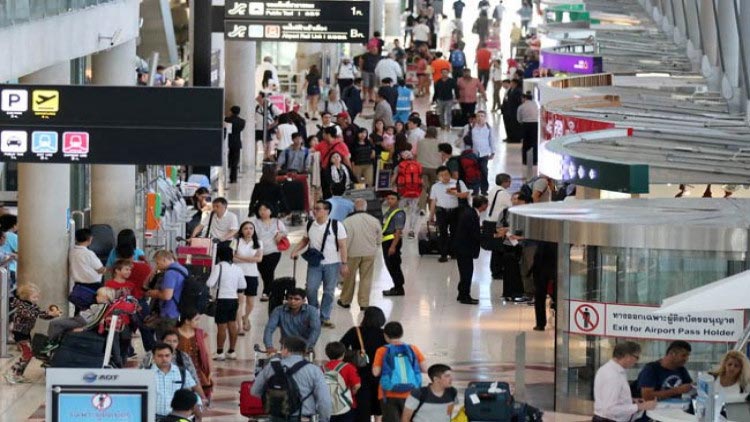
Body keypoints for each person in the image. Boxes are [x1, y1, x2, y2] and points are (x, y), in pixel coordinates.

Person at [290, 200, 349, 329]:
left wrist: (344, 264)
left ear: (327, 211)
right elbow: (305, 240)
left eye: (318, 209)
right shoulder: (310, 224)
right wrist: (295, 250)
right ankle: (313, 313)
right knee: (310, 288)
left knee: (329, 291)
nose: (315, 211)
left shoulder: (337, 225)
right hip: (315, 263)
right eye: (314, 209)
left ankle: (325, 317)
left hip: (332, 264)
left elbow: (343, 246)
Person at [252, 336, 332, 422]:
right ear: (304, 352)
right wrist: (324, 419)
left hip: (276, 417)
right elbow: (324, 400)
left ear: (286, 350)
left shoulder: (271, 367)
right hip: (303, 417)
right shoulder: (314, 370)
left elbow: (254, 391)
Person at [5, 283, 61, 384]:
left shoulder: (32, 305)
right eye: (34, 297)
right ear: (26, 296)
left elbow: (40, 314)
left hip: (25, 332)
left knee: (28, 354)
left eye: (37, 296)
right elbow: (32, 314)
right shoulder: (22, 306)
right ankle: (11, 372)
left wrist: (52, 315)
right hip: (19, 333)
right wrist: (49, 313)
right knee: (27, 354)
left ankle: (18, 374)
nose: (37, 299)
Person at [372, 322, 428, 422]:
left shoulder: (381, 350)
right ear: (401, 334)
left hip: (388, 394)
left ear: (385, 335)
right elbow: (424, 369)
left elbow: (376, 372)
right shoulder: (412, 348)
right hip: (411, 393)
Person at [340, 307, 387, 422]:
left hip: (360, 375)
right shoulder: (385, 334)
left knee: (362, 409)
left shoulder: (355, 331)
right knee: (379, 409)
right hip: (380, 375)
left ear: (365, 318)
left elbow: (341, 347)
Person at [141, 330, 207, 407]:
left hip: (178, 399)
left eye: (174, 341)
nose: (172, 344)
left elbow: (194, 379)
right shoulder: (150, 355)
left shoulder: (183, 357)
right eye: (168, 341)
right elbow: (141, 374)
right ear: (162, 341)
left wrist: (203, 398)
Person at [594, 342, 656, 422]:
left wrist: (631, 401)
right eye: (636, 357)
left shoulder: (611, 369)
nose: (637, 361)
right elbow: (609, 409)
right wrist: (640, 406)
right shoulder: (613, 375)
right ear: (627, 356)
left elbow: (610, 398)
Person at [339, 200, 381, 309]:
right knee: (366, 278)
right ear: (366, 207)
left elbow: (343, 240)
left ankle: (345, 301)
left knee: (349, 277)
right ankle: (364, 303)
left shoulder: (347, 221)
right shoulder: (374, 220)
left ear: (354, 208)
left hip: (352, 253)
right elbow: (379, 238)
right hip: (369, 253)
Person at [205, 246, 246, 360]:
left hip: (222, 300)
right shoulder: (237, 268)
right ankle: (232, 351)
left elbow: (210, 283)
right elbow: (243, 285)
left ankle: (219, 352)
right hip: (234, 299)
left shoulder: (219, 267)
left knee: (221, 327)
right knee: (232, 324)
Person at [429, 166, 469, 263]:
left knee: (455, 232)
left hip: (455, 211)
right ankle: (443, 254)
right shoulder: (435, 186)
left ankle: (453, 252)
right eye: (441, 175)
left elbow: (466, 194)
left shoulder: (458, 183)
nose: (444, 177)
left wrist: (455, 194)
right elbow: (433, 201)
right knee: (442, 233)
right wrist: (431, 215)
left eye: (446, 174)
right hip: (441, 212)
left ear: (450, 174)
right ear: (438, 176)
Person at [264, 288, 322, 353]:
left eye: (296, 299)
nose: (292, 301)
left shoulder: (312, 311)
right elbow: (269, 328)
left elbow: (316, 330)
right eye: (290, 298)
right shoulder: (278, 310)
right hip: (286, 347)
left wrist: (308, 346)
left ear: (303, 300)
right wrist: (269, 346)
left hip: (305, 347)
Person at [250, 202, 287, 302]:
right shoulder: (254, 222)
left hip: (274, 251)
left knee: (269, 271)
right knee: (263, 272)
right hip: (259, 252)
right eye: (260, 209)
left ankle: (266, 291)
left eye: (265, 209)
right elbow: (249, 233)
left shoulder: (277, 222)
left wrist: (281, 235)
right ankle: (272, 289)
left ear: (271, 211)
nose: (263, 212)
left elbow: (285, 232)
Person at [151, 343, 200, 419]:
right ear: (153, 357)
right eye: (160, 356)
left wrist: (198, 416)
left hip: (176, 418)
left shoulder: (182, 372)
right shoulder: (146, 373)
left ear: (172, 356)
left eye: (167, 355)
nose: (164, 359)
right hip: (153, 418)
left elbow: (191, 394)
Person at [454, 196, 487, 304]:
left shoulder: (470, 213)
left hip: (462, 248)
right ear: (482, 205)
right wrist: (490, 236)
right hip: (465, 248)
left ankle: (461, 293)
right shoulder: (471, 215)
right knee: (467, 273)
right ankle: (465, 296)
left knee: (464, 272)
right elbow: (474, 234)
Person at [146, 250, 188, 336]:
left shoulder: (170, 273)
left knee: (163, 340)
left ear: (164, 260)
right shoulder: (182, 269)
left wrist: (155, 293)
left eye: (158, 263)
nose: (157, 266)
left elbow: (167, 296)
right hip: (178, 310)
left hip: (168, 312)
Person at [232, 221, 263, 335]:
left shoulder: (258, 242)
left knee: (250, 303)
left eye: (251, 228)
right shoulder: (235, 241)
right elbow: (232, 258)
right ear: (241, 230)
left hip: (252, 274)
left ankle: (245, 317)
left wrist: (240, 257)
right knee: (240, 302)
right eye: (246, 228)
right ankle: (239, 326)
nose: (249, 230)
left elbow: (259, 259)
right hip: (238, 274)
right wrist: (250, 259)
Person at [176, 309, 213, 401]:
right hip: (180, 371)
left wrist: (209, 371)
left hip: (198, 371)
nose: (198, 322)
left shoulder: (201, 334)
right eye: (196, 319)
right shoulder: (174, 333)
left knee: (200, 398)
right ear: (187, 321)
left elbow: (207, 354)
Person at [69, 228, 106, 309]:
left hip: (78, 285)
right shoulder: (88, 253)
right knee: (93, 310)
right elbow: (100, 269)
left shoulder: (72, 252)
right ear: (90, 239)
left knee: (79, 308)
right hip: (93, 286)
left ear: (75, 238)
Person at [325, 341, 362, 422]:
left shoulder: (322, 368)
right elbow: (357, 385)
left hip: (328, 406)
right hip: (346, 405)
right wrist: (353, 392)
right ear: (343, 354)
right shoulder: (348, 367)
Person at [381, 192, 407, 297]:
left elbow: (398, 231)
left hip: (392, 241)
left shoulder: (399, 213)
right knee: (389, 265)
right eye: (389, 199)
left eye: (393, 199)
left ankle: (399, 288)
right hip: (386, 240)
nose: (390, 201)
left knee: (394, 265)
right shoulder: (388, 211)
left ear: (398, 200)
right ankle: (396, 286)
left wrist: (393, 246)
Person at [392, 152, 423, 239]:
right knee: (413, 211)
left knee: (400, 210)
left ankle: (399, 230)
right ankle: (411, 230)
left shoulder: (399, 166)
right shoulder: (418, 165)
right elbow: (421, 179)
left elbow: (394, 178)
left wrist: (391, 186)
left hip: (403, 192)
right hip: (416, 192)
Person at [467, 111, 496, 195]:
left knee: (484, 170)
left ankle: (484, 189)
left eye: (482, 116)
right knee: (474, 172)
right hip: (473, 153)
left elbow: (492, 140)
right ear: (475, 118)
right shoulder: (471, 127)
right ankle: (475, 189)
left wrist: (493, 152)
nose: (480, 118)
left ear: (485, 118)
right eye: (478, 116)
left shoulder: (488, 128)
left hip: (484, 153)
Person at [225, 105, 246, 183]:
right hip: (237, 142)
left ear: (231, 111)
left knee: (228, 159)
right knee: (235, 161)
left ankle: (227, 175)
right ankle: (233, 178)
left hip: (228, 142)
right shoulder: (242, 121)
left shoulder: (227, 119)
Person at [517, 93, 540, 166]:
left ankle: (525, 160)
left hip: (526, 124)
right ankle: (535, 161)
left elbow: (519, 119)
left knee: (526, 143)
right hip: (535, 124)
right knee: (535, 143)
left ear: (525, 98)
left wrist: (522, 122)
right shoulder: (536, 106)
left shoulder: (521, 106)